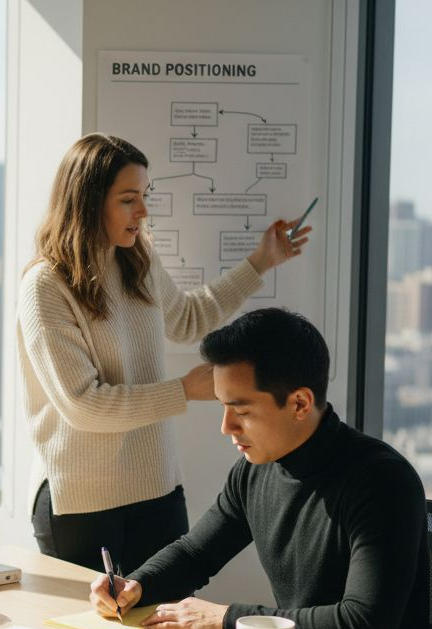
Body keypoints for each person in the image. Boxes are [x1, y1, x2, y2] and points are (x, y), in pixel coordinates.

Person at [17, 133, 311, 573]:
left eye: (145, 196)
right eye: (128, 199)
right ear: (89, 200)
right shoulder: (45, 285)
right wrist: (183, 391)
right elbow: (83, 406)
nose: (143, 211)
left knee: (167, 624)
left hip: (155, 487)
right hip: (81, 500)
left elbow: (188, 318)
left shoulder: (137, 259)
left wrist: (261, 262)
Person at [88, 308, 432, 629]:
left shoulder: (381, 481)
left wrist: (227, 620)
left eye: (242, 410)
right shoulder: (256, 471)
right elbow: (195, 554)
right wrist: (137, 585)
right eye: (224, 407)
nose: (226, 427)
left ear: (300, 403)